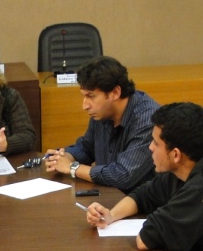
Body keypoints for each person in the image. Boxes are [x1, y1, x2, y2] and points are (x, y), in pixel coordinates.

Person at [84, 102, 203, 251]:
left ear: (176, 154)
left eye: (155, 143)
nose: (150, 147)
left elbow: (146, 239)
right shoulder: (188, 165)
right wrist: (111, 215)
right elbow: (143, 195)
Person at [43, 56, 158, 193]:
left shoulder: (147, 119)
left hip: (143, 207)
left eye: (91, 96)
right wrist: (64, 157)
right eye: (83, 96)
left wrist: (72, 168)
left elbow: (123, 175)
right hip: (108, 198)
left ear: (115, 93)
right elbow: (86, 147)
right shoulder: (102, 112)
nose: (84, 106)